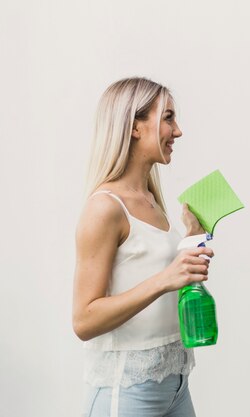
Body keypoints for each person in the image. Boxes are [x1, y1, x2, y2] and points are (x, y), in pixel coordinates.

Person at [73, 77, 213, 417]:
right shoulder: (105, 207)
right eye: (167, 118)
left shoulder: (151, 200)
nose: (177, 131)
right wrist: (166, 278)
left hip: (175, 383)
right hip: (128, 392)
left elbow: (153, 273)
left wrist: (191, 238)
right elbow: (84, 320)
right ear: (135, 127)